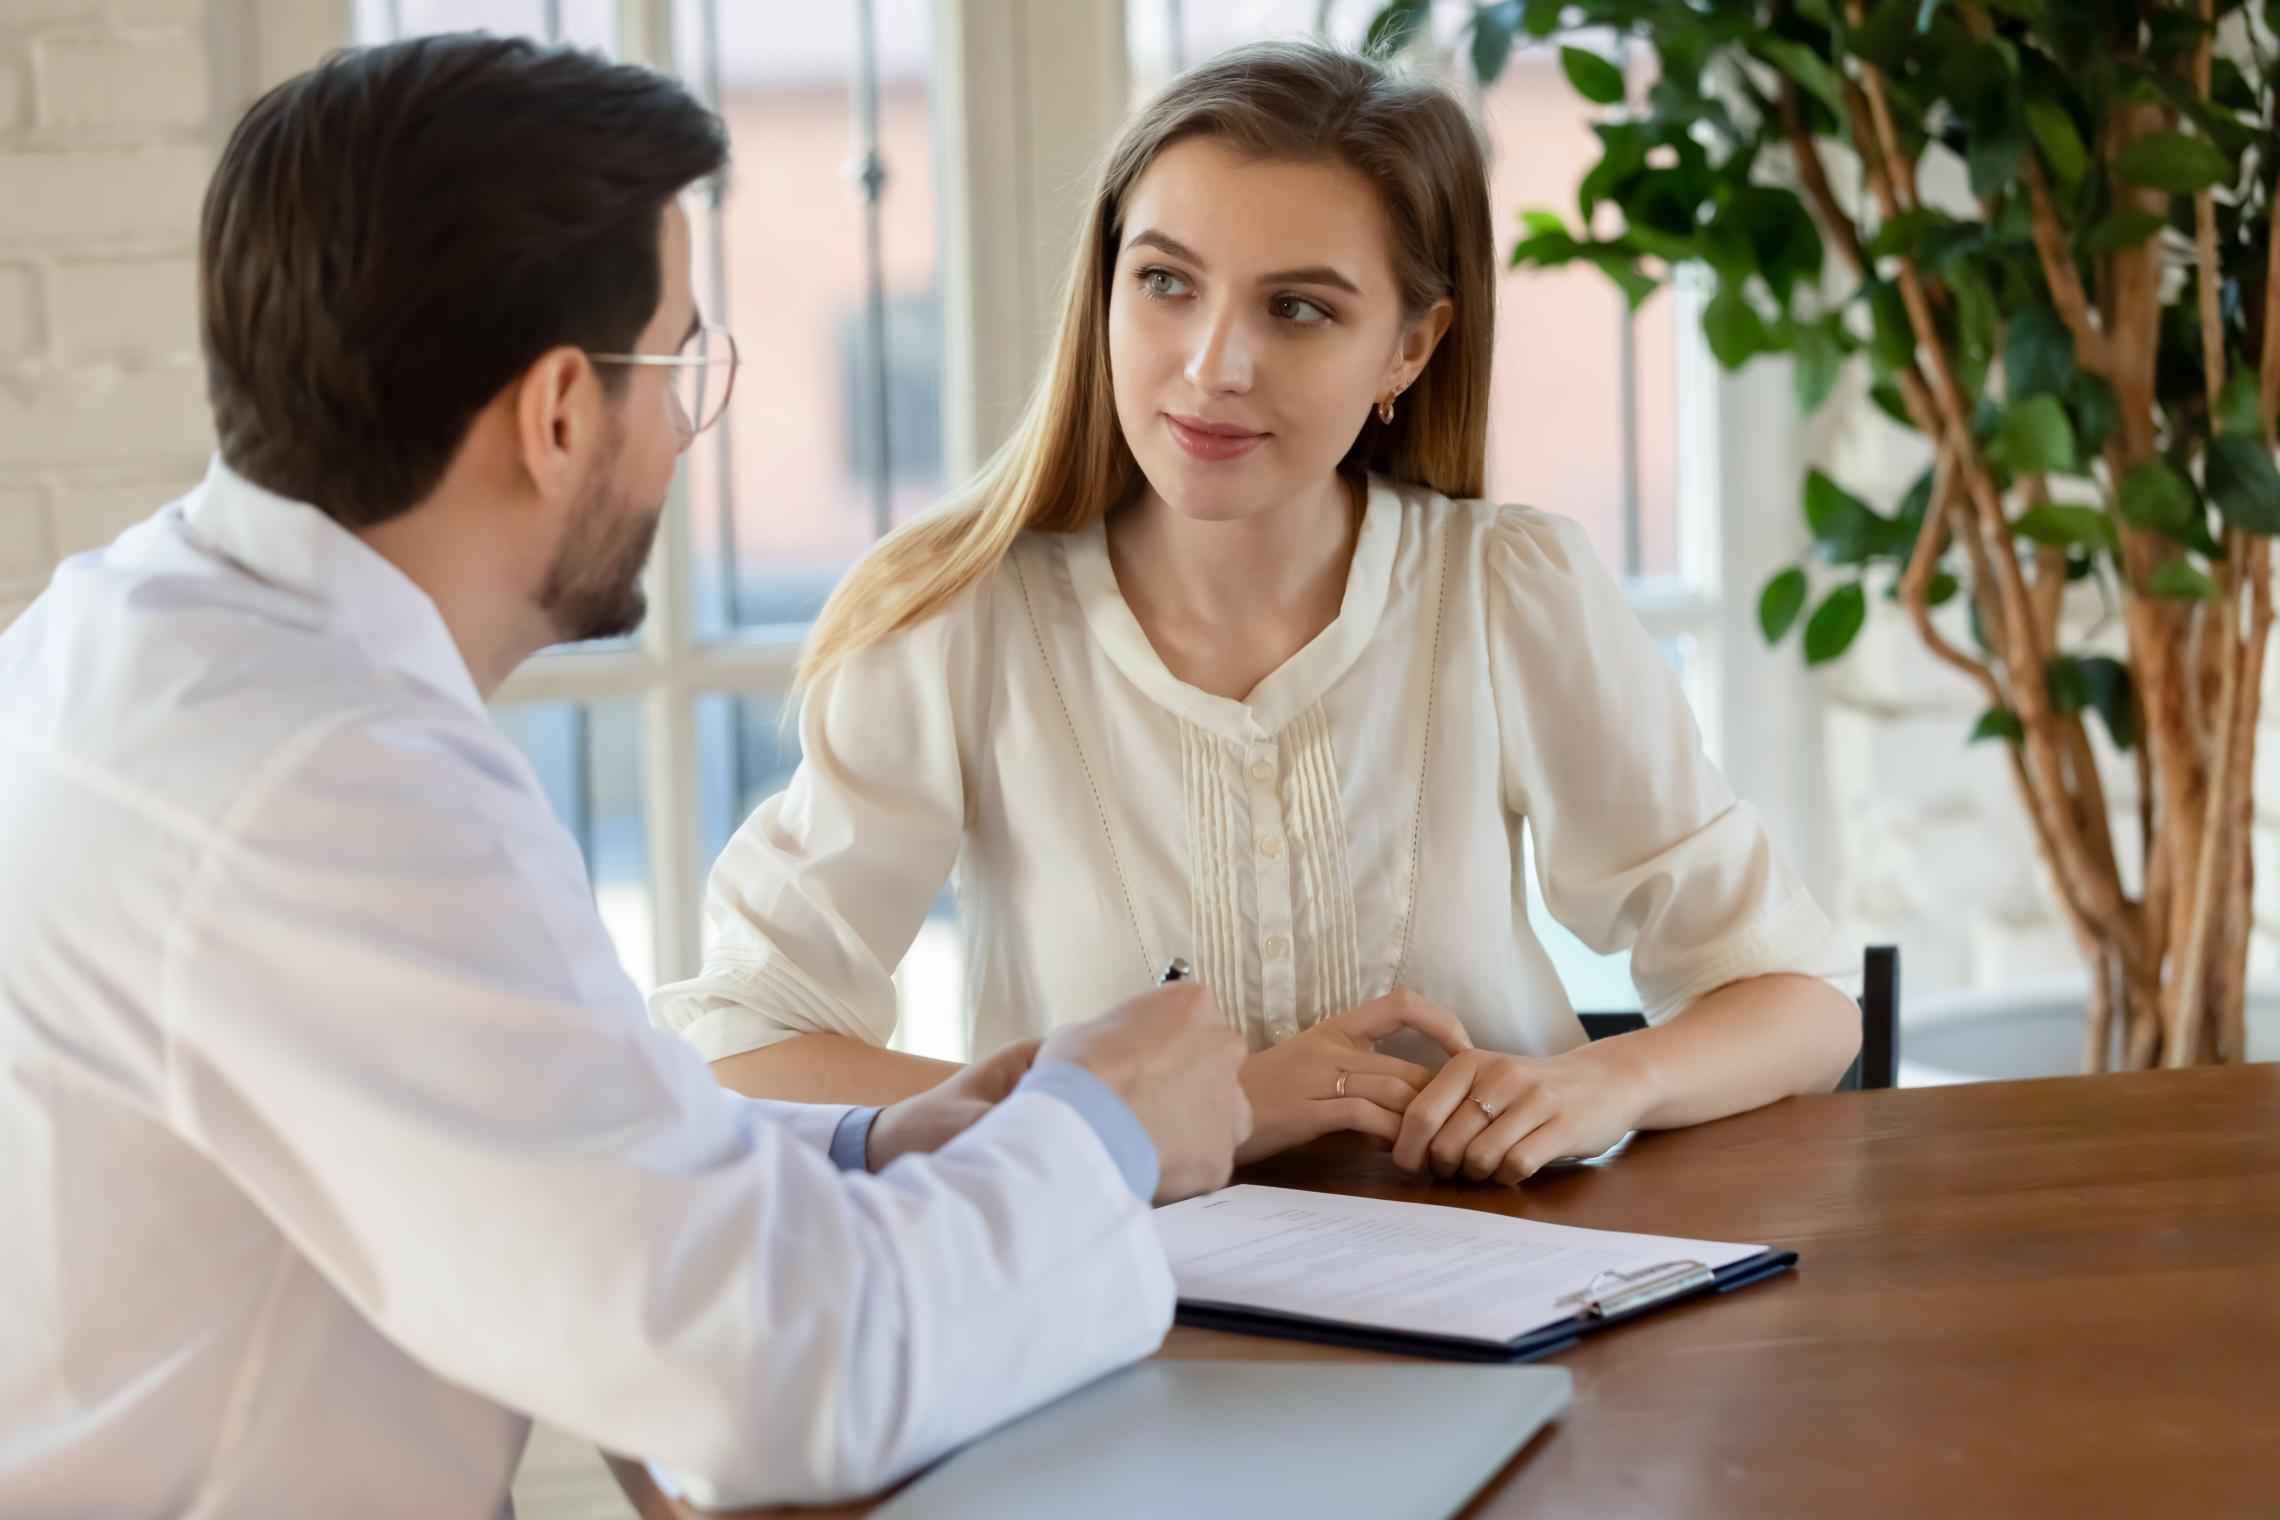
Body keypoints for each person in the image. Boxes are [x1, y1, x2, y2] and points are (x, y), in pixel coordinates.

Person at [0, 34, 1251, 1518]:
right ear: (555, 415)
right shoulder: (334, 789)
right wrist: (1100, 1125)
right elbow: (782, 1378)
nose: (683, 425)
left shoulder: (119, 631)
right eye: (680, 361)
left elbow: (518, 1124)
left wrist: (869, 1141)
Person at [654, 38, 1861, 1186]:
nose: (1213, 363)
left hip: (1511, 1304)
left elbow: (1800, 1000)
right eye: (1167, 281)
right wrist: (1166, 1112)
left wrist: (1608, 1083)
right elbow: (740, 1042)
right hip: (1119, 1336)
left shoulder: (1509, 590)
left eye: (1299, 308)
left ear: (1410, 346)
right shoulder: (960, 626)